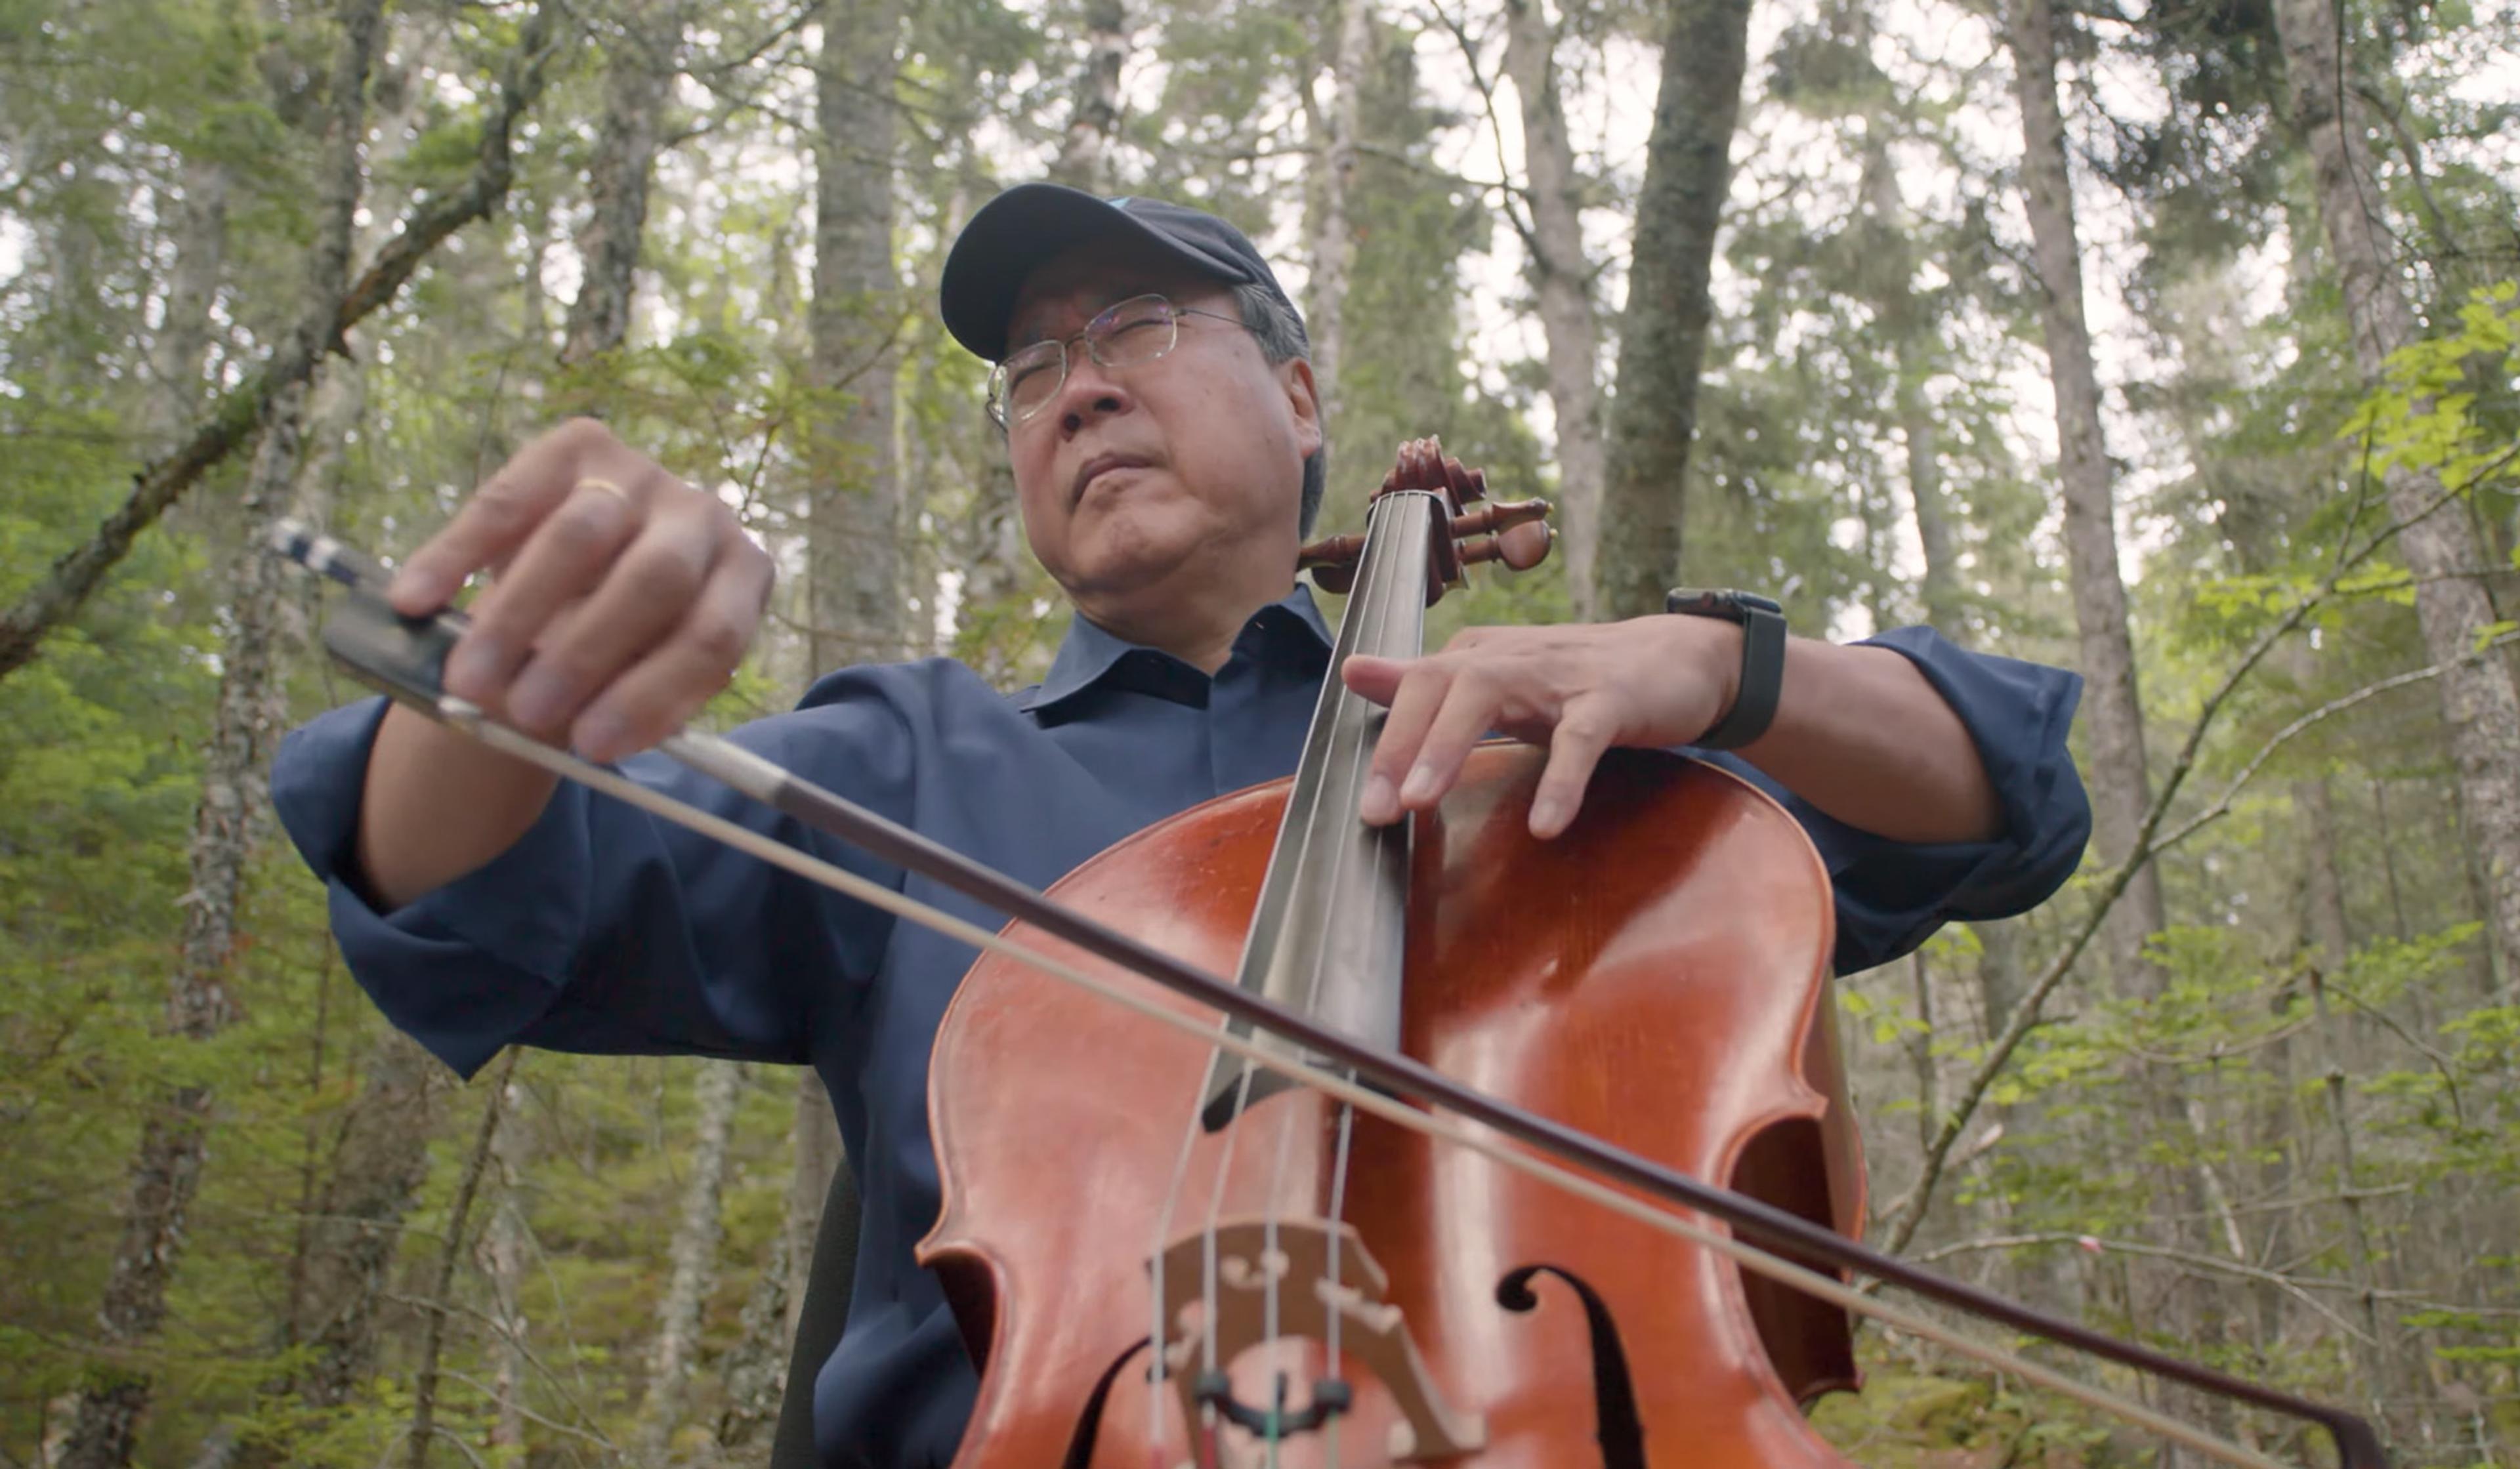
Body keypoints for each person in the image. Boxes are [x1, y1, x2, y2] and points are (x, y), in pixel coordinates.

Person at [270, 182, 2091, 1466]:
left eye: (1135, 327)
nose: (1076, 385)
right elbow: (457, 887)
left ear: (1299, 403)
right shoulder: (908, 765)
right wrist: (507, 686)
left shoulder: (1556, 770)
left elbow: (2007, 791)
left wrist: (1722, 663)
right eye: (1032, 368)